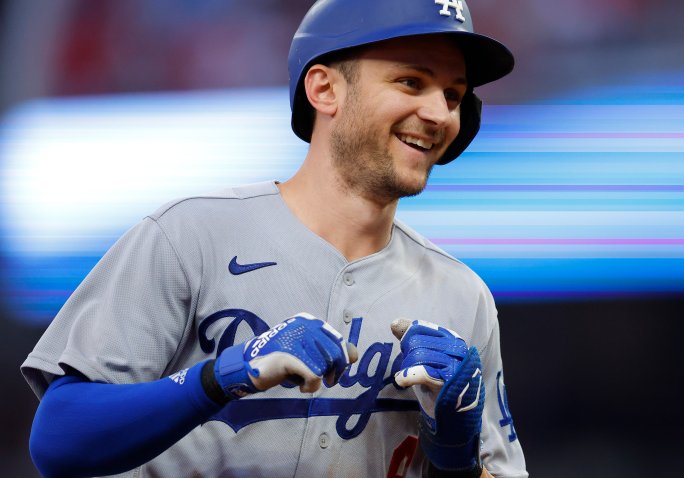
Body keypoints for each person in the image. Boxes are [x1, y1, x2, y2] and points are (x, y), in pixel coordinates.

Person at [22, 0, 527, 476]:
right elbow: (59, 440)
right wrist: (221, 375)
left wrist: (456, 455)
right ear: (324, 89)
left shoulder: (461, 296)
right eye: (411, 82)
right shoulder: (191, 236)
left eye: (453, 95)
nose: (440, 114)